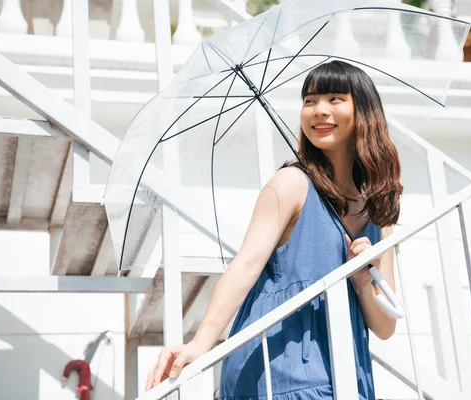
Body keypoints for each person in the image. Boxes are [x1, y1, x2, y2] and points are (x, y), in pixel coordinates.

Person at [145, 60, 402, 399]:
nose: (318, 110)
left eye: (335, 98)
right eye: (309, 101)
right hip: (277, 369)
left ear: (364, 111)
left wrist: (363, 285)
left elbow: (385, 326)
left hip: (346, 374)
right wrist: (201, 342)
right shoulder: (292, 183)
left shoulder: (378, 213)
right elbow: (246, 264)